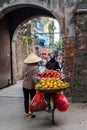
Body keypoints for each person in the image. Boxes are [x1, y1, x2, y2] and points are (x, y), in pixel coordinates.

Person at [22, 53, 41, 117]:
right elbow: (34, 78)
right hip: (31, 86)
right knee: (32, 99)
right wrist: (38, 85)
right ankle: (31, 112)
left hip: (25, 85)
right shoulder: (35, 67)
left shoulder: (24, 66)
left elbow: (23, 74)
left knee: (26, 99)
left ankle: (26, 112)